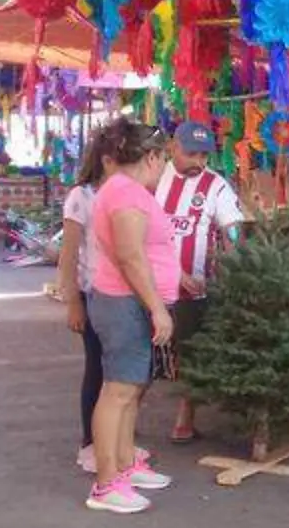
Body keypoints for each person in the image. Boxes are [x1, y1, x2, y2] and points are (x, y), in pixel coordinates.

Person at [86, 118, 176, 514]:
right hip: (125, 302)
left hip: (129, 301)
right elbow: (130, 254)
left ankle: (123, 464)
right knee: (118, 391)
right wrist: (156, 306)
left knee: (130, 390)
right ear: (152, 157)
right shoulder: (126, 193)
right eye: (164, 161)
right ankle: (106, 483)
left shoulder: (126, 190)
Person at [59, 131, 150, 475]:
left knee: (126, 374)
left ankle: (119, 442)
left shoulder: (135, 193)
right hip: (94, 293)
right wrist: (73, 303)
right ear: (105, 160)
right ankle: (90, 444)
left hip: (129, 292)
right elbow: (68, 256)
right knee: (99, 370)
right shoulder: (81, 197)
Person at [153, 120, 244, 443]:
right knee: (143, 357)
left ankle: (184, 419)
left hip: (194, 293)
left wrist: (235, 259)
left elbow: (232, 229)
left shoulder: (216, 186)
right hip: (147, 289)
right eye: (192, 154)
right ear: (172, 148)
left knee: (190, 354)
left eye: (204, 156)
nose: (199, 163)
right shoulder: (154, 178)